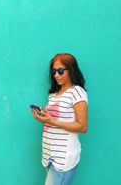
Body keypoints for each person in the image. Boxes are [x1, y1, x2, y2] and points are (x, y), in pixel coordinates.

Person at [31, 53, 88, 185]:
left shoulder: (77, 92)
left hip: (63, 159)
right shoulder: (53, 95)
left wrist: (52, 121)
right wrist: (43, 117)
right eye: (54, 71)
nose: (56, 75)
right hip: (49, 156)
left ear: (71, 70)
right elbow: (53, 119)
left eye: (61, 71)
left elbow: (83, 126)